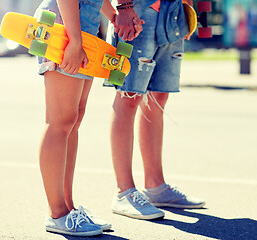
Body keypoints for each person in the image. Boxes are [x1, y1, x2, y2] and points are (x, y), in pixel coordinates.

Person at [34, 0, 144, 236]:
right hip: (66, 24)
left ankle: (68, 207)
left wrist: (113, 16)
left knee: (73, 120)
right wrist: (75, 40)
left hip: (85, 26)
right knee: (60, 121)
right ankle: (57, 213)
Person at [106, 0, 206, 220]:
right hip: (137, 10)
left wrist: (187, 9)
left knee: (158, 96)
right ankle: (124, 192)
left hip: (172, 12)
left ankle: (155, 186)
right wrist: (123, 7)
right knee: (129, 95)